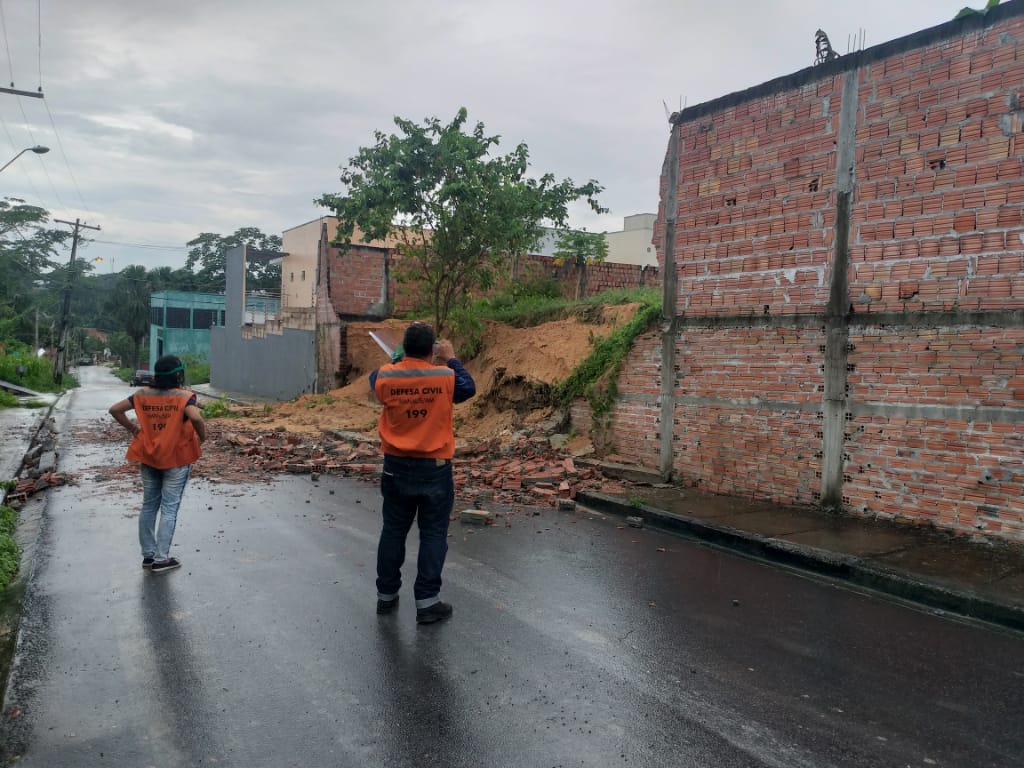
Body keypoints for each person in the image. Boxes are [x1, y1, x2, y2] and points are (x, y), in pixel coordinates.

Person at [369, 321, 476, 624]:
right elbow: (469, 388)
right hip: (435, 469)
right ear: (433, 349)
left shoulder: (387, 377)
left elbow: (375, 378)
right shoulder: (446, 376)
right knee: (432, 534)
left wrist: (397, 358)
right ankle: (427, 603)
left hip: (396, 467)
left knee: (393, 532)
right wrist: (450, 357)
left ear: (404, 348)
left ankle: (386, 597)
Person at [109, 355, 207, 573]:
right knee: (169, 508)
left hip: (148, 456)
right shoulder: (183, 397)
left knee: (149, 505)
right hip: (176, 459)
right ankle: (162, 559)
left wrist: (133, 429)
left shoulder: (142, 394)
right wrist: (203, 437)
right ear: (179, 374)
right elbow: (197, 419)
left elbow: (115, 409)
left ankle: (148, 556)